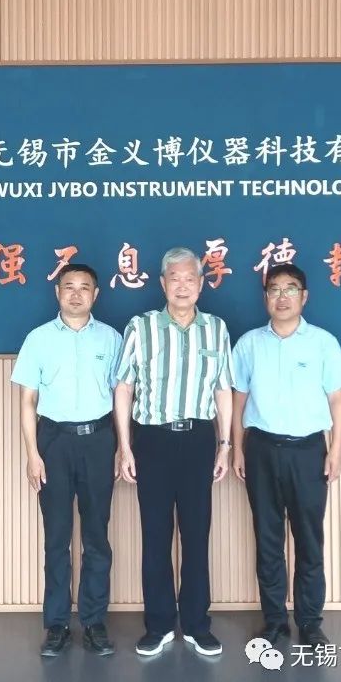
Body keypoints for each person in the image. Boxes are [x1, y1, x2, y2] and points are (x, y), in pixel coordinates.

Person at [115, 247, 233, 657]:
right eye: (175, 279)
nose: (183, 286)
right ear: (163, 283)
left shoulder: (216, 328)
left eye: (190, 279)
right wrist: (125, 446)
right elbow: (124, 387)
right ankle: (160, 624)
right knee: (155, 535)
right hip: (153, 440)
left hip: (199, 439)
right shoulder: (141, 326)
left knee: (197, 535)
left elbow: (223, 390)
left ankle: (198, 625)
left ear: (201, 284)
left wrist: (225, 445)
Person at [231, 263, 341, 647]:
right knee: (267, 539)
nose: (282, 297)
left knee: (308, 539)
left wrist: (336, 450)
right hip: (261, 449)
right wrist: (236, 449)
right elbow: (238, 401)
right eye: (274, 289)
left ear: (304, 296)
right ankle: (274, 620)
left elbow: (338, 399)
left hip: (308, 452)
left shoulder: (323, 343)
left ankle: (310, 622)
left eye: (290, 289)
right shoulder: (249, 344)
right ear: (265, 297)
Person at [10, 263, 123, 657]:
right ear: (57, 292)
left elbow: (122, 397)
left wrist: (121, 447)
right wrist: (32, 454)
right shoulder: (38, 339)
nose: (76, 294)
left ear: (96, 294)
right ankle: (56, 625)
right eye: (68, 287)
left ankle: (94, 623)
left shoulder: (111, 338)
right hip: (54, 442)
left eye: (84, 287)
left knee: (96, 537)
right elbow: (28, 401)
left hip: (99, 440)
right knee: (57, 538)